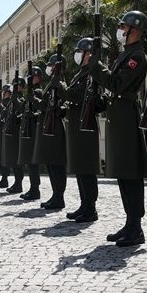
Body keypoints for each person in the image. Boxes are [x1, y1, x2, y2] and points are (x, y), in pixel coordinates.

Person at [91, 11, 147, 247]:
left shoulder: (136, 57)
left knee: (131, 174)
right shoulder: (125, 55)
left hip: (127, 116)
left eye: (123, 26)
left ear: (134, 30)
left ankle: (136, 227)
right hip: (118, 116)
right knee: (123, 175)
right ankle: (130, 223)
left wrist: (97, 67)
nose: (120, 30)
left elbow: (117, 84)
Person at [64, 38, 100, 223]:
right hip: (76, 125)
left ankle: (90, 207)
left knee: (86, 167)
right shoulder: (81, 73)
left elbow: (85, 96)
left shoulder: (92, 73)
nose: (77, 54)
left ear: (89, 54)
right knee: (80, 167)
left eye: (81, 51)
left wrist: (64, 91)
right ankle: (84, 204)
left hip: (86, 125)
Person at [34, 51, 68, 210]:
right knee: (50, 163)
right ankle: (55, 195)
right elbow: (44, 105)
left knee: (57, 164)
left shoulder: (61, 82)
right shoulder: (52, 83)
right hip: (49, 125)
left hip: (56, 127)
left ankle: (59, 197)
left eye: (50, 65)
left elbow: (64, 101)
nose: (48, 68)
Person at [17, 65, 43, 200]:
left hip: (34, 129)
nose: (30, 80)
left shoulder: (38, 91)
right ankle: (33, 188)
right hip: (28, 129)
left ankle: (35, 189)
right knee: (30, 163)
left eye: (32, 77)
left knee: (33, 163)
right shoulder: (30, 92)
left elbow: (38, 107)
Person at [2, 77, 24, 193]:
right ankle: (16, 182)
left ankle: (19, 183)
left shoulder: (20, 97)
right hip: (11, 131)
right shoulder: (13, 99)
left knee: (17, 160)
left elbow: (21, 110)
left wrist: (14, 100)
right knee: (13, 160)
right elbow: (6, 113)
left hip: (17, 131)